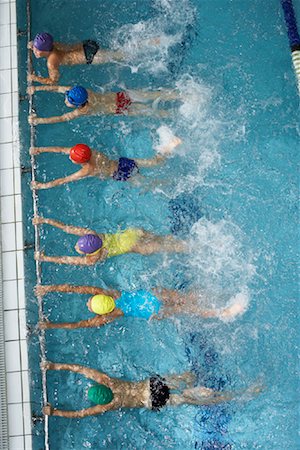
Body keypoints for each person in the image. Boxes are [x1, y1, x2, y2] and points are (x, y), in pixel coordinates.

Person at [41, 361, 262, 418]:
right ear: (100, 385)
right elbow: (80, 369)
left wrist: (56, 412)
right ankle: (205, 376)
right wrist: (54, 366)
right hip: (150, 386)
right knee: (186, 377)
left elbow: (81, 414)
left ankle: (233, 396)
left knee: (191, 399)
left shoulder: (109, 405)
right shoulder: (108, 380)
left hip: (152, 402)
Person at [36, 283, 247, 330]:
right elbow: (77, 289)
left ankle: (222, 312)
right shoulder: (111, 293)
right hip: (152, 295)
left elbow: (81, 324)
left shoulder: (112, 315)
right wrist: (49, 288)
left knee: (185, 310)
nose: (88, 303)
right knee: (184, 298)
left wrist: (51, 325)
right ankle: (217, 294)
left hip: (150, 311)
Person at [30, 135, 181, 189]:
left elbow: (65, 179)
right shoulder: (90, 151)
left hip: (121, 174)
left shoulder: (87, 170)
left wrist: (43, 185)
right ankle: (169, 146)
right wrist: (41, 149)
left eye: (72, 158)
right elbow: (62, 149)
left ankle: (170, 183)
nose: (69, 156)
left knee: (148, 184)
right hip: (124, 163)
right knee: (154, 162)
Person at [33, 216, 187, 266]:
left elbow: (67, 259)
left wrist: (45, 258)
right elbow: (67, 228)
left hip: (135, 246)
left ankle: (195, 248)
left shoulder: (93, 258)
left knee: (172, 248)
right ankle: (188, 241)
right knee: (165, 239)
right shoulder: (92, 233)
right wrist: (45, 220)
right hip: (133, 232)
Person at [28, 32, 159, 85]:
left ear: (43, 51)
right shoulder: (53, 45)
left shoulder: (51, 61)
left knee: (124, 55)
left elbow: (53, 80)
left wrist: (35, 78)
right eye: (34, 47)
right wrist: (33, 45)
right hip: (86, 46)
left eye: (36, 49)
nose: (34, 51)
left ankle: (153, 43)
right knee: (121, 53)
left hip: (93, 57)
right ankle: (152, 43)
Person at [27, 85, 179, 125]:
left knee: (151, 112)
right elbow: (57, 88)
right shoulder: (85, 91)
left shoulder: (84, 110)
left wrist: (39, 120)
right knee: (153, 95)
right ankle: (182, 96)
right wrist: (37, 88)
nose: (65, 100)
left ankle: (176, 116)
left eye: (68, 100)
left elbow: (62, 118)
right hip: (122, 96)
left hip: (121, 108)